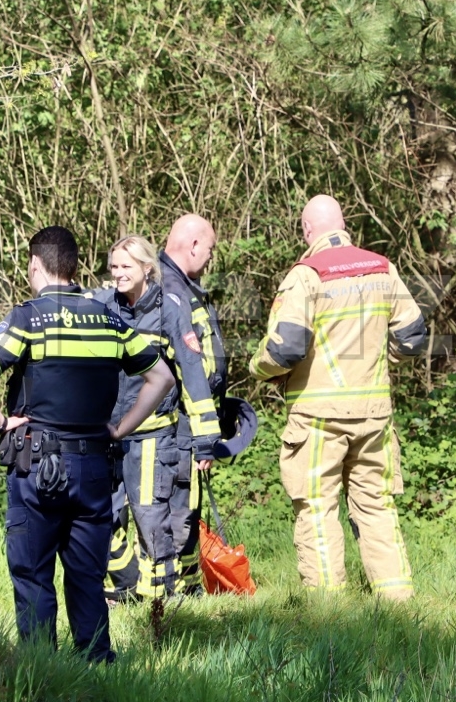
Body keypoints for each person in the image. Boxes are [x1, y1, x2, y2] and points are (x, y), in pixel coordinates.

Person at [0, 226, 174, 661]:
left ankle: (43, 668)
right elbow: (162, 377)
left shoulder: (28, 317)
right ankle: (97, 668)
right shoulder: (109, 318)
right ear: (75, 267)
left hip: (37, 464)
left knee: (34, 573)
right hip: (95, 466)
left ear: (35, 265)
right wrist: (122, 428)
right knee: (87, 577)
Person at [249, 196, 427, 600]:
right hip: (375, 415)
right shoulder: (382, 268)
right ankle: (399, 603)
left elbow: (285, 348)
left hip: (318, 418)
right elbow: (414, 335)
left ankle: (330, 607)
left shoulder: (306, 275)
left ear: (307, 230)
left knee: (317, 507)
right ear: (344, 224)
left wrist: (258, 369)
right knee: (377, 506)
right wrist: (380, 359)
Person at [93, 233, 225, 602]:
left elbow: (192, 375)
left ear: (146, 267)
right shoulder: (105, 305)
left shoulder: (168, 309)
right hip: (107, 435)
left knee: (152, 519)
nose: (117, 273)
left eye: (125, 266)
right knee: (104, 517)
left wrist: (204, 443)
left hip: (153, 436)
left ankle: (160, 604)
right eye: (113, 266)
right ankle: (126, 588)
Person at [156, 214, 228, 594]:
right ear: (194, 245)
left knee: (186, 504)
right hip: (177, 422)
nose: (210, 257)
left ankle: (185, 586)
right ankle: (180, 590)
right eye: (210, 249)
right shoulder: (170, 290)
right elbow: (188, 365)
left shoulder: (182, 286)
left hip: (188, 420)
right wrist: (203, 437)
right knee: (179, 507)